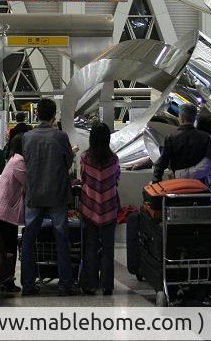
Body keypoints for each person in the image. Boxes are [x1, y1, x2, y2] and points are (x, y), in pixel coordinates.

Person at [20, 97, 77, 296]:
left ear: (37, 114)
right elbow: (68, 163)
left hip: (35, 194)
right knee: (61, 238)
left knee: (28, 238)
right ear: (54, 116)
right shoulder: (60, 137)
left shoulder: (27, 137)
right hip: (57, 194)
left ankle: (28, 284)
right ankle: (64, 285)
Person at [79, 123, 120, 296]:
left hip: (90, 207)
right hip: (110, 207)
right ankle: (107, 286)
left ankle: (90, 285)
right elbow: (117, 178)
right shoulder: (114, 159)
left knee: (90, 246)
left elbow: (83, 177)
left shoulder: (85, 158)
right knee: (108, 248)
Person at [0, 132, 26, 294]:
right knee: (8, 248)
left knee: (3, 248)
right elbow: (29, 182)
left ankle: (3, 280)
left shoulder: (13, 159)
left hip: (0, 211)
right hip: (5, 213)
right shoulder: (19, 162)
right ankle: (6, 282)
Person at [152, 103, 211, 182]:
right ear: (194, 118)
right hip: (198, 185)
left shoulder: (171, 138)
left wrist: (156, 180)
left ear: (181, 118)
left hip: (178, 184)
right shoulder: (206, 137)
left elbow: (162, 163)